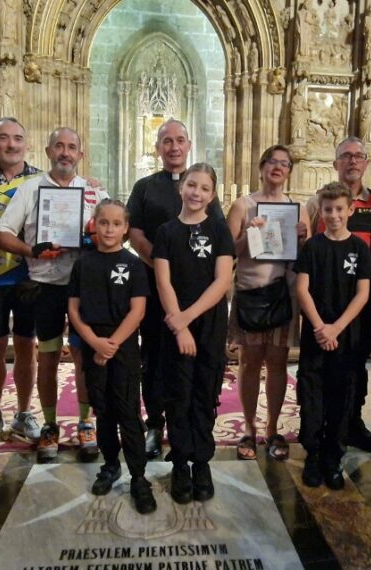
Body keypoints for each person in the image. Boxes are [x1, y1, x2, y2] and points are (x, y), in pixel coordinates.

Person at [0, 127, 109, 462]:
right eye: (59, 146)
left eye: (72, 147)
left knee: (84, 358)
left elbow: (114, 229)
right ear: (47, 151)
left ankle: (86, 423)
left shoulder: (92, 193)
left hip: (85, 289)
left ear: (81, 155)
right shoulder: (30, 189)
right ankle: (49, 424)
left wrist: (94, 239)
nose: (65, 153)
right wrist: (31, 249)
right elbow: (1, 233)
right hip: (43, 287)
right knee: (48, 356)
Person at [126, 119, 225, 459]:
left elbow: (220, 238)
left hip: (198, 297)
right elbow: (134, 232)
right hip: (156, 289)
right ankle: (155, 423)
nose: (173, 146)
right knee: (154, 358)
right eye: (166, 141)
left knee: (198, 362)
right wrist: (164, 265)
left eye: (180, 140)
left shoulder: (204, 188)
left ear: (188, 145)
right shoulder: (144, 187)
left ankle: (196, 427)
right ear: (157, 147)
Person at [67, 199, 157, 514]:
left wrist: (113, 344)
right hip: (94, 343)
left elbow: (138, 310)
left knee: (128, 411)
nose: (109, 229)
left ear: (125, 228)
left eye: (116, 224)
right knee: (102, 411)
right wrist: (94, 341)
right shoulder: (83, 263)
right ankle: (110, 464)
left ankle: (138, 476)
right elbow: (74, 308)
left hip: (124, 346)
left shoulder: (133, 264)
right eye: (103, 222)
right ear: (95, 224)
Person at [152, 163, 234, 504]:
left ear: (212, 195)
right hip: (174, 324)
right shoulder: (166, 232)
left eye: (204, 188)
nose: (196, 192)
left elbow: (222, 281)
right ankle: (180, 463)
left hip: (208, 323)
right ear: (181, 188)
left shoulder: (219, 229)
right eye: (191, 185)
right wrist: (178, 322)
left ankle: (202, 462)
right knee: (178, 395)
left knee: (203, 392)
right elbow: (163, 281)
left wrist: (188, 318)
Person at [226, 145, 308, 462]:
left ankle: (273, 429)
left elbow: (304, 256)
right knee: (249, 363)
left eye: (284, 163)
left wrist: (303, 237)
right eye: (272, 162)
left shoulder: (296, 210)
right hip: (250, 292)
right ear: (262, 167)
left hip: (282, 295)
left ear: (289, 171)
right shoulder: (242, 205)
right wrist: (249, 234)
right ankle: (249, 428)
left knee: (277, 364)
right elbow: (229, 251)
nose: (278, 167)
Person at [305, 136, 371, 453]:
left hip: (359, 298)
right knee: (319, 371)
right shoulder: (317, 203)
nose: (352, 161)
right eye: (345, 156)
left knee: (355, 365)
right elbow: (308, 244)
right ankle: (320, 427)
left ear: (366, 162)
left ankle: (352, 422)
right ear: (335, 163)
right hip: (324, 298)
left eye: (358, 156)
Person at [295, 182, 371, 489]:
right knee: (313, 395)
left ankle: (333, 456)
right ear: (321, 212)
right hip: (316, 336)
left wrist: (336, 328)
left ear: (350, 210)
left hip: (346, 336)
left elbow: (363, 293)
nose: (333, 215)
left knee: (342, 396)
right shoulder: (313, 247)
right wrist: (319, 327)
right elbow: (302, 288)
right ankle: (313, 455)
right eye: (328, 210)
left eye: (339, 209)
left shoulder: (359, 248)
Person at [0, 117, 43, 448]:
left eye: (18, 138)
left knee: (27, 345)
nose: (11, 144)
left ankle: (23, 412)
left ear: (26, 144)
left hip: (30, 274)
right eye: (4, 138)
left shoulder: (41, 180)